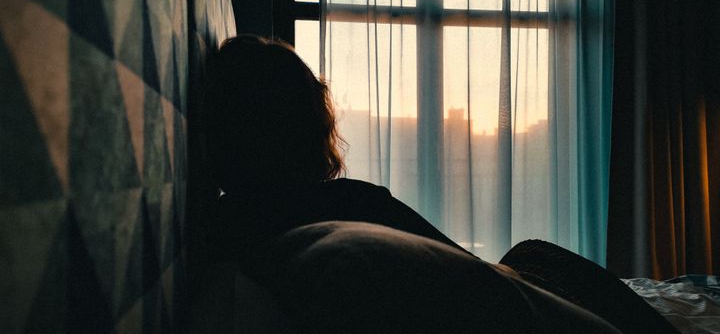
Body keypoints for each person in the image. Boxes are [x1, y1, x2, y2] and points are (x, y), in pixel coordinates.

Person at [201, 35, 678, 333]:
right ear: (305, 124)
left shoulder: (228, 223)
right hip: (525, 287)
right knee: (534, 253)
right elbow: (474, 270)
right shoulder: (349, 200)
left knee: (533, 255)